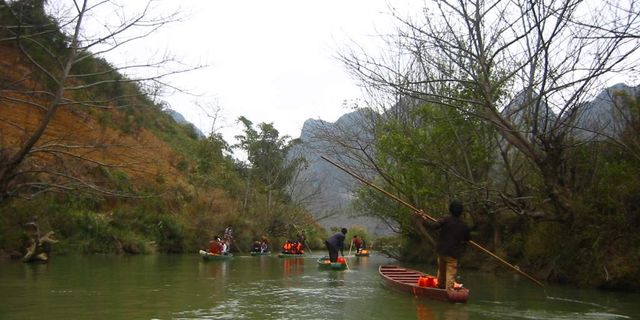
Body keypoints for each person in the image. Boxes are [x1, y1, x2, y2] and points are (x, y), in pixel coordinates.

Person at [426, 199, 471, 291]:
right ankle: (449, 291)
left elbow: (433, 226)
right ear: (461, 212)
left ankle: (441, 286)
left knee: (442, 271)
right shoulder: (464, 225)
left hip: (441, 251)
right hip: (453, 254)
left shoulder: (445, 219)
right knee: (450, 273)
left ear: (450, 209)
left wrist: (423, 219)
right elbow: (467, 239)